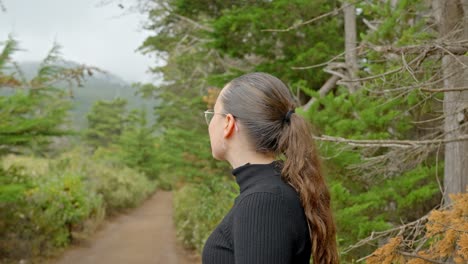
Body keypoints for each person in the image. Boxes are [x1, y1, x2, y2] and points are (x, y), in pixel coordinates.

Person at [201, 72, 339, 264]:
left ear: (228, 123)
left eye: (212, 115)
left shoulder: (263, 201)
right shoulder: (272, 191)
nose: (209, 125)